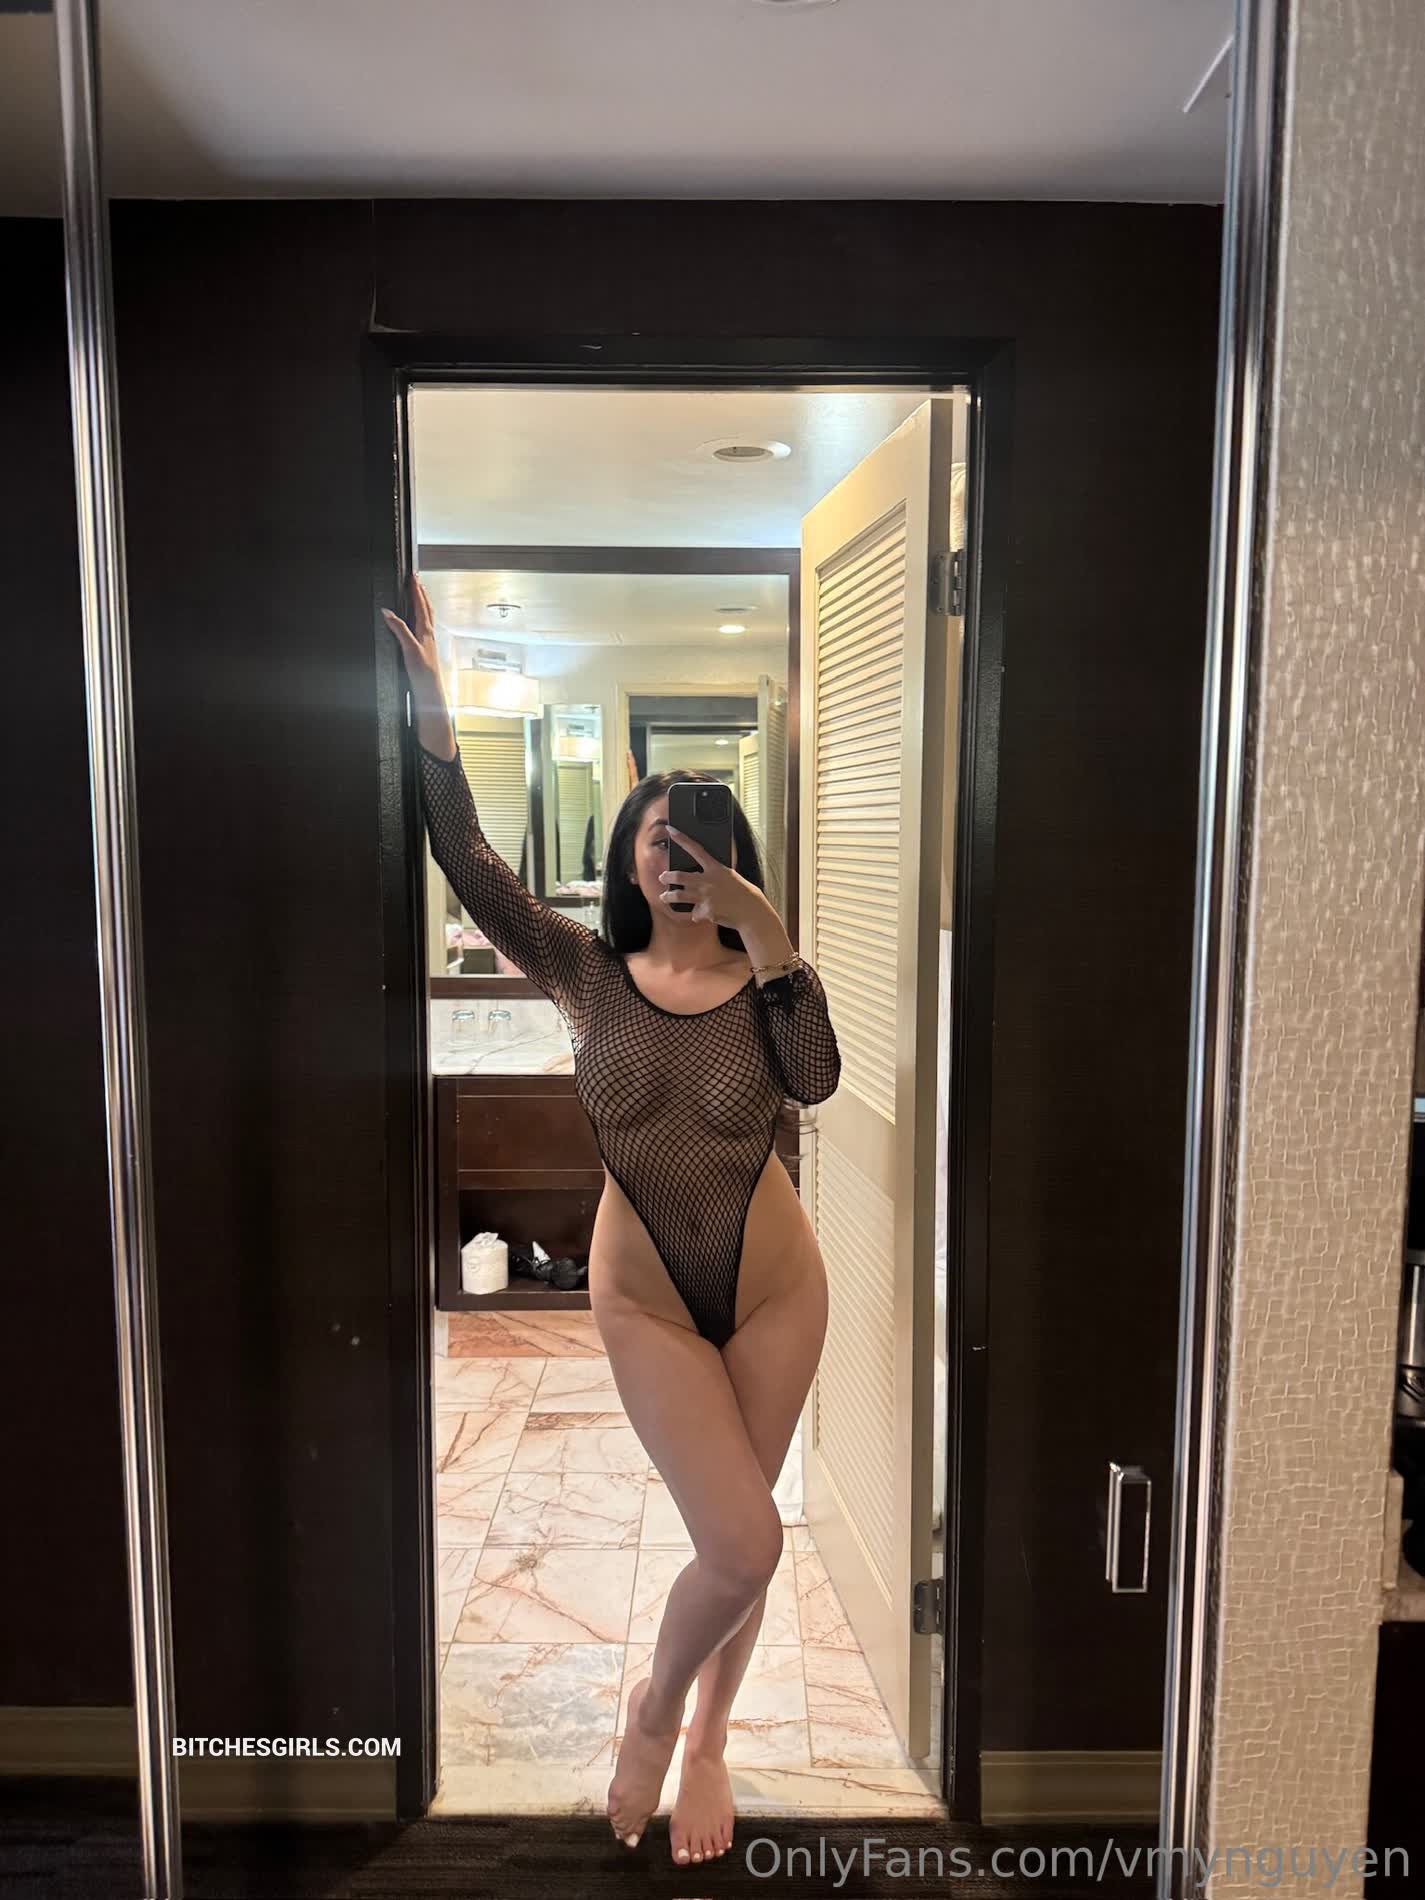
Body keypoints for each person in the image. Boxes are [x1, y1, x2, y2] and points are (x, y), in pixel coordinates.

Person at [384, 577, 840, 1867]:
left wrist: (771, 938)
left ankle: (708, 1740)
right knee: (742, 1538)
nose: (674, 853)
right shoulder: (588, 972)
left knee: (741, 1544)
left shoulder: (767, 980)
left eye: (698, 838)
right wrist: (436, 729)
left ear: (731, 855)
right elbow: (474, 872)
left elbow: (814, 1081)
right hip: (643, 1296)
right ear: (628, 854)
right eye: (655, 833)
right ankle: (654, 1711)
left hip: (776, 1291)